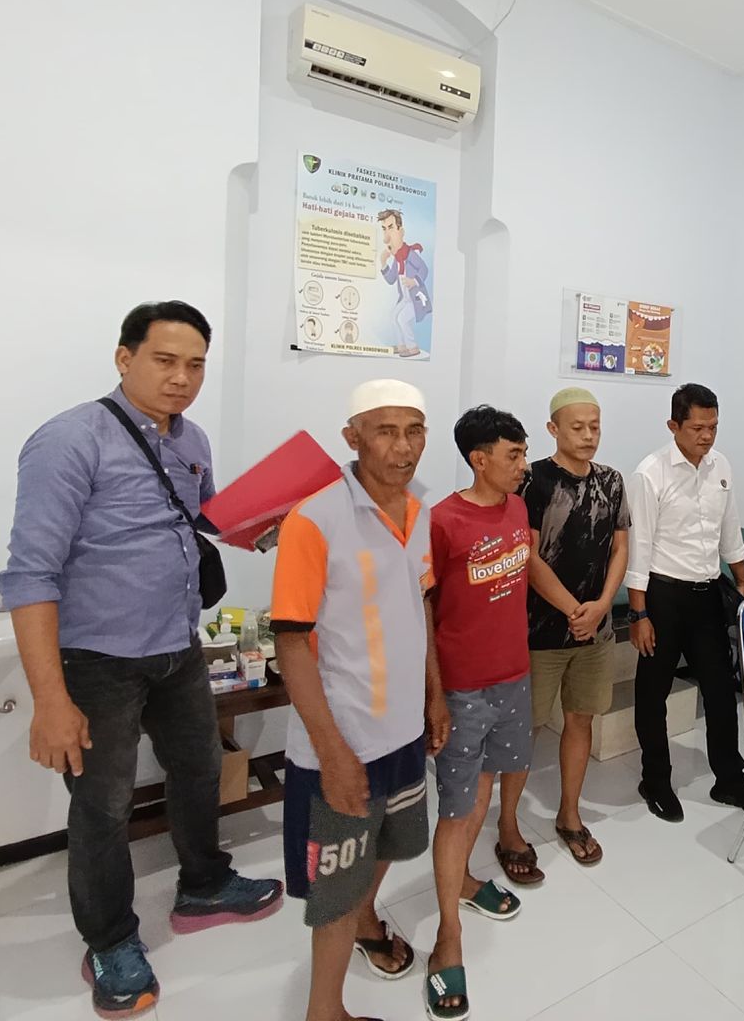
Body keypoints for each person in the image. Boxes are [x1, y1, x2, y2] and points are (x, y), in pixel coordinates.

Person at [0, 302, 283, 1020]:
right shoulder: (70, 440)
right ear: (124, 358)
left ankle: (204, 884)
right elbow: (30, 576)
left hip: (177, 645)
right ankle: (109, 939)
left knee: (198, 768)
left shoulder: (193, 440)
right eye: (165, 361)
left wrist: (267, 525)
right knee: (102, 804)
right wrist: (51, 700)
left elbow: (205, 523)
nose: (182, 378)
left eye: (196, 365)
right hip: (97, 660)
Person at [269, 380, 450, 1021]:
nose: (404, 448)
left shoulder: (419, 510)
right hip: (342, 742)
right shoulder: (314, 520)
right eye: (385, 431)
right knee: (335, 890)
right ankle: (325, 1012)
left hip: (403, 732)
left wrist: (434, 696)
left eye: (414, 431)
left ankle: (368, 919)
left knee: (394, 845)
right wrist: (333, 754)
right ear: (352, 438)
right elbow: (291, 643)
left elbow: (417, 607)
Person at [425, 405, 537, 1021]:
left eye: (522, 453)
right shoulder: (443, 521)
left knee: (488, 785)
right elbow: (424, 606)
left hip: (513, 677)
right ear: (480, 459)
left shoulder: (517, 509)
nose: (523, 465)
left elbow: (528, 568)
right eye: (513, 455)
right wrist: (434, 693)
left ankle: (465, 880)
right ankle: (448, 937)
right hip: (463, 688)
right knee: (456, 807)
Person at [625, 383, 744, 823]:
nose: (706, 436)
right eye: (697, 428)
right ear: (673, 425)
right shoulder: (649, 473)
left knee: (720, 691)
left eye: (713, 427)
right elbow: (640, 546)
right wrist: (639, 613)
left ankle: (729, 779)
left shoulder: (720, 466)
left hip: (707, 593)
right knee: (652, 693)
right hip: (663, 596)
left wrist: (742, 579)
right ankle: (655, 781)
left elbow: (730, 527)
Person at [502, 387, 631, 867]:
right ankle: (508, 824)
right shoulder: (532, 480)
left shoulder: (612, 480)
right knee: (526, 729)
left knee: (581, 719)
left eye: (595, 426)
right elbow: (528, 555)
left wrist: (601, 607)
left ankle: (569, 814)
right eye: (577, 427)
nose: (588, 435)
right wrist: (576, 610)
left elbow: (620, 547)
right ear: (553, 429)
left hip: (595, 629)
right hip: (540, 632)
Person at [378, 208, 430, 358]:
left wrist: (414, 281)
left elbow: (424, 269)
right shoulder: (397, 259)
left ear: (401, 231)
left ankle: (412, 346)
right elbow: (391, 279)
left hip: (416, 299)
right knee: (393, 316)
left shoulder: (411, 255)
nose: (387, 237)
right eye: (384, 229)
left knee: (402, 319)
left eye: (391, 228)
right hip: (405, 299)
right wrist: (383, 263)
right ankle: (402, 345)